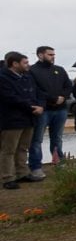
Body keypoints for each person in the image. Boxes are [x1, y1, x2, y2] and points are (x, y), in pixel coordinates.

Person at [0, 51, 45, 190]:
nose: (28, 65)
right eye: (25, 63)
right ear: (14, 64)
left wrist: (41, 106)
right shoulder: (3, 78)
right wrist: (32, 107)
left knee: (23, 148)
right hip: (11, 120)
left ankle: (22, 173)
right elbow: (11, 98)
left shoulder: (27, 77)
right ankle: (8, 177)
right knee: (9, 150)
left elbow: (38, 93)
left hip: (28, 118)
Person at [28, 45, 73, 177]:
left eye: (54, 54)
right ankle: (36, 166)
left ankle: (59, 162)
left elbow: (68, 85)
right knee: (37, 140)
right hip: (44, 110)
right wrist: (53, 98)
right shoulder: (32, 70)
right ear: (40, 55)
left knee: (57, 138)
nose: (53, 57)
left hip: (60, 110)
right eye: (50, 54)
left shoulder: (59, 69)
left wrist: (63, 97)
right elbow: (35, 89)